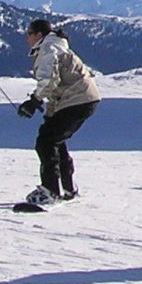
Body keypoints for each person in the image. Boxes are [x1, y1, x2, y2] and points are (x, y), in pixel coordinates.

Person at [16, 19, 100, 207]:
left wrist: (34, 101)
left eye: (29, 33)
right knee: (54, 139)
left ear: (39, 35)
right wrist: (49, 114)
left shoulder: (48, 49)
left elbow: (49, 80)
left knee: (46, 141)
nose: (27, 37)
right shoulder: (55, 45)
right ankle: (68, 188)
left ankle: (51, 190)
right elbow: (59, 87)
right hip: (83, 99)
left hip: (77, 100)